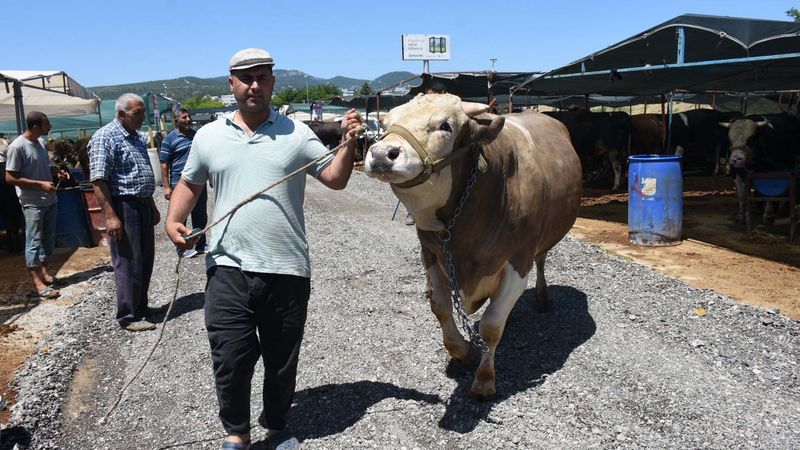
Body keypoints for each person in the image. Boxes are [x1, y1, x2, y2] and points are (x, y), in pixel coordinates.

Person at [165, 47, 363, 450]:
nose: (254, 85)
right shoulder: (209, 135)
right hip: (227, 267)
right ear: (231, 84)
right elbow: (189, 183)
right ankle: (236, 433)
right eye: (246, 78)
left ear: (273, 82)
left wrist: (347, 143)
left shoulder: (297, 133)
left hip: (287, 267)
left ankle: (276, 425)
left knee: (281, 359)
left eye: (262, 78)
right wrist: (173, 220)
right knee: (230, 358)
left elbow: (335, 179)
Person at [88, 93, 160, 332]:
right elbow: (99, 180)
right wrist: (110, 216)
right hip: (124, 206)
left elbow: (141, 175)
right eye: (137, 113)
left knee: (145, 258)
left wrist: (151, 205)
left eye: (143, 112)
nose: (142, 118)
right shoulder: (105, 137)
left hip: (142, 204)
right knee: (128, 260)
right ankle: (128, 315)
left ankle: (141, 306)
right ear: (121, 114)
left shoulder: (136, 137)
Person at [4, 112, 69, 298]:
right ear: (35, 127)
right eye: (47, 124)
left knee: (48, 239)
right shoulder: (17, 147)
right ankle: (36, 283)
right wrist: (39, 184)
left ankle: (45, 274)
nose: (50, 127)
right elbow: (10, 177)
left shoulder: (40, 142)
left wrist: (56, 172)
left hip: (49, 199)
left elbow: (43, 166)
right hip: (32, 202)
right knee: (33, 241)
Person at [160, 107, 207, 258]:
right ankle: (182, 247)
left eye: (189, 116)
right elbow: (164, 164)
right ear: (176, 120)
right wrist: (166, 187)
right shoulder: (169, 139)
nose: (188, 120)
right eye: (184, 117)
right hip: (179, 183)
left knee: (200, 215)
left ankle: (201, 244)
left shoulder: (197, 135)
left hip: (199, 182)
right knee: (181, 216)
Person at [403, 81, 449, 227]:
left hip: (444, 152)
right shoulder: (416, 111)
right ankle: (413, 212)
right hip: (420, 151)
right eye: (430, 97)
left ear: (444, 95)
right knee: (416, 181)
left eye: (437, 97)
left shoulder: (449, 110)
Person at [0, 132, 25, 253]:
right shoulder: (6, 144)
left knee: (8, 216)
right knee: (13, 216)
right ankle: (15, 244)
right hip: (9, 188)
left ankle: (11, 244)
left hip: (6, 188)